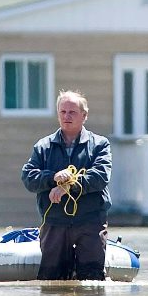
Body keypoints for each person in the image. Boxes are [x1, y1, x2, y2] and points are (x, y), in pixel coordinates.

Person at [21, 90, 112, 280]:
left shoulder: (100, 145)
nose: (66, 116)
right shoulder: (43, 147)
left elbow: (100, 176)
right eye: (63, 112)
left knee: (93, 283)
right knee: (51, 282)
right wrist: (53, 177)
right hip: (54, 223)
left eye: (72, 112)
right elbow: (28, 177)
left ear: (84, 116)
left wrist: (67, 186)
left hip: (90, 223)